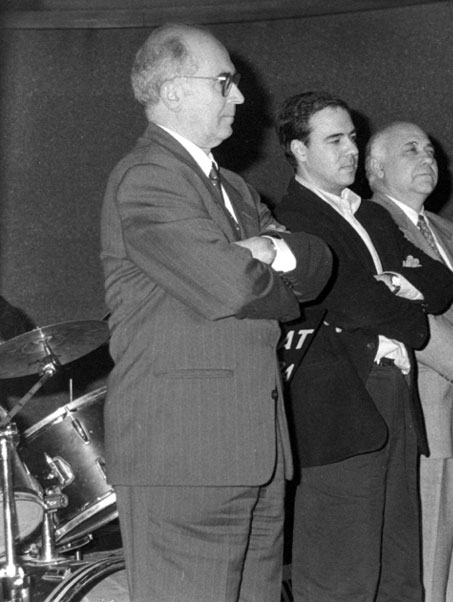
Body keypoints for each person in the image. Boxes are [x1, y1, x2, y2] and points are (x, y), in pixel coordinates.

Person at [100, 24, 332, 602]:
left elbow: (318, 264)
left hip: (253, 452)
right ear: (175, 91)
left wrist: (271, 250)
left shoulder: (233, 187)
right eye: (225, 82)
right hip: (186, 457)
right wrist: (266, 272)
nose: (242, 97)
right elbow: (232, 288)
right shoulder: (148, 177)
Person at [273, 93, 453, 602]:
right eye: (334, 140)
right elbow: (353, 303)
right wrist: (402, 295)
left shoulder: (370, 215)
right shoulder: (295, 216)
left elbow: (442, 284)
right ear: (299, 150)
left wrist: (391, 284)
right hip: (340, 403)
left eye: (353, 137)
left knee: (400, 570)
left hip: (396, 392)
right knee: (342, 576)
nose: (350, 150)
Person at [366, 122, 453, 602]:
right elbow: (403, 314)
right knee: (426, 567)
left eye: (430, 150)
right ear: (377, 168)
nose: (428, 157)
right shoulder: (369, 223)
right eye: (411, 150)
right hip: (425, 409)